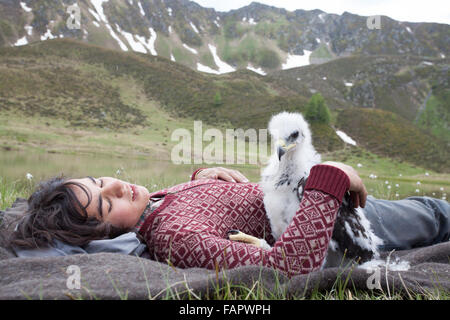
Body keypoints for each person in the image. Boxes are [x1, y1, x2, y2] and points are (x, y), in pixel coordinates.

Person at [8, 163, 450, 278]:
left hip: (307, 199)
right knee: (432, 215)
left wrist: (202, 178)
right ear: (103, 234)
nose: (117, 187)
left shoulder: (155, 205)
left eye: (102, 180)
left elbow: (189, 204)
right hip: (333, 219)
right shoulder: (176, 238)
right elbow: (286, 270)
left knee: (426, 210)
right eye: (106, 204)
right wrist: (329, 180)